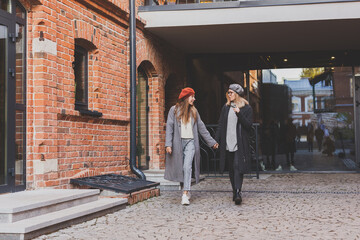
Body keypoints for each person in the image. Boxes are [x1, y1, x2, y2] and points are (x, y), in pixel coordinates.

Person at [165, 87, 218, 205]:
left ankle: (185, 194)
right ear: (185, 97)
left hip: (190, 143)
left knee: (187, 166)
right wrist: (168, 144)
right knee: (180, 169)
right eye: (192, 96)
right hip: (178, 143)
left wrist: (212, 142)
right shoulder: (173, 110)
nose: (194, 98)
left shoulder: (194, 111)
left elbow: (202, 128)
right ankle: (186, 189)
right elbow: (169, 127)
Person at [215, 84, 253, 205]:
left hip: (240, 142)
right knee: (231, 168)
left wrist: (239, 113)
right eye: (228, 92)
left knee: (238, 166)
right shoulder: (226, 108)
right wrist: (216, 140)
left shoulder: (246, 108)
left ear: (236, 94)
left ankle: (238, 192)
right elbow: (221, 125)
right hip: (227, 141)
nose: (229, 95)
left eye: (231, 92)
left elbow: (248, 125)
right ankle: (234, 190)